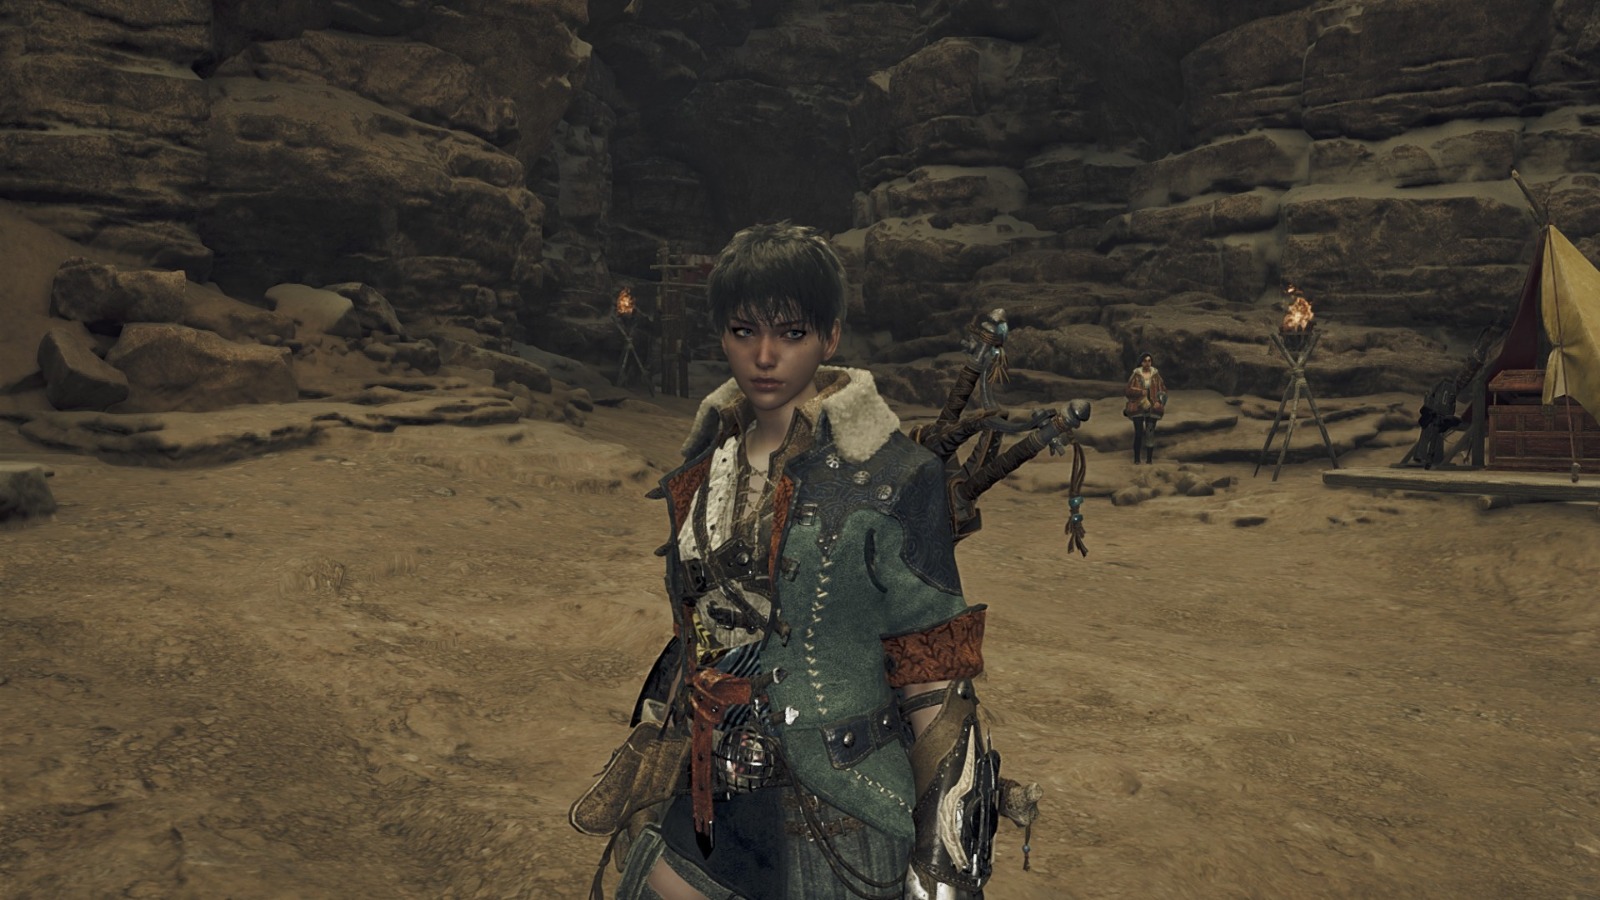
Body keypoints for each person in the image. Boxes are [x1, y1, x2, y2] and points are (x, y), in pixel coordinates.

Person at [598, 222, 995, 899]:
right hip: (706, 803)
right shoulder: (703, 472)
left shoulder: (895, 477)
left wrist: (944, 872)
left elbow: (934, 681)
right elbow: (692, 641)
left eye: (791, 333)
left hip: (841, 811)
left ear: (829, 337)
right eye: (744, 331)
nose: (764, 356)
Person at [1123, 353, 1167, 464]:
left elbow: (1163, 390)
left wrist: (1159, 402)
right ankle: (1137, 459)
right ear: (1141, 362)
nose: (1147, 363)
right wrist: (1139, 392)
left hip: (1152, 409)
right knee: (1138, 433)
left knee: (1150, 433)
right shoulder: (1136, 375)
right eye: (1145, 361)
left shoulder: (1156, 376)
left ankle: (1149, 460)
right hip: (1138, 407)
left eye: (1149, 361)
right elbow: (1127, 391)